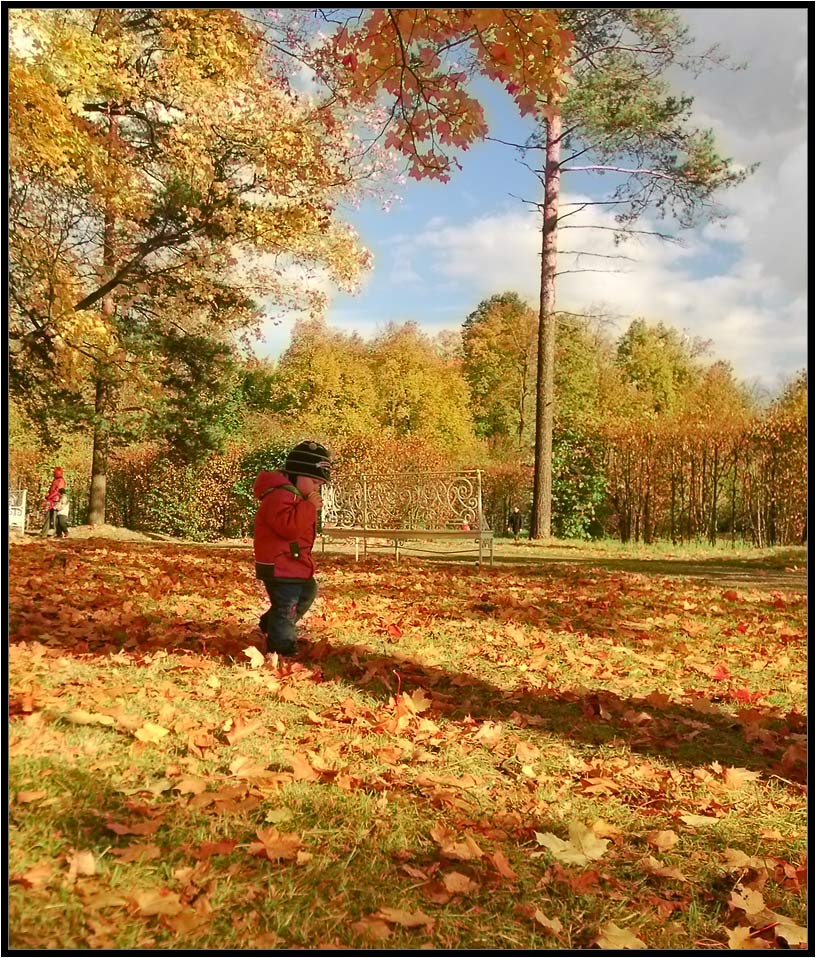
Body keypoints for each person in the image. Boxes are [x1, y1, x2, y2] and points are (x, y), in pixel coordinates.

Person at [253, 440, 331, 657]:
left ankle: (273, 623)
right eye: (315, 482)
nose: (317, 488)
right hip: (279, 564)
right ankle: (282, 646)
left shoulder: (295, 496)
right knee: (287, 604)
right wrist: (309, 507)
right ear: (298, 475)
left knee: (307, 591)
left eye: (319, 485)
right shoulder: (279, 496)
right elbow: (288, 528)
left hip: (293, 562)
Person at [40, 466, 66, 537]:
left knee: (54, 518)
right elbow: (52, 489)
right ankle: (45, 533)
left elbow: (58, 492)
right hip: (52, 500)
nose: (53, 473)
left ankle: (54, 533)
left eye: (54, 472)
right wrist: (48, 494)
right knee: (49, 516)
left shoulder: (60, 481)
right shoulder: (55, 480)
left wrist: (49, 497)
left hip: (55, 500)